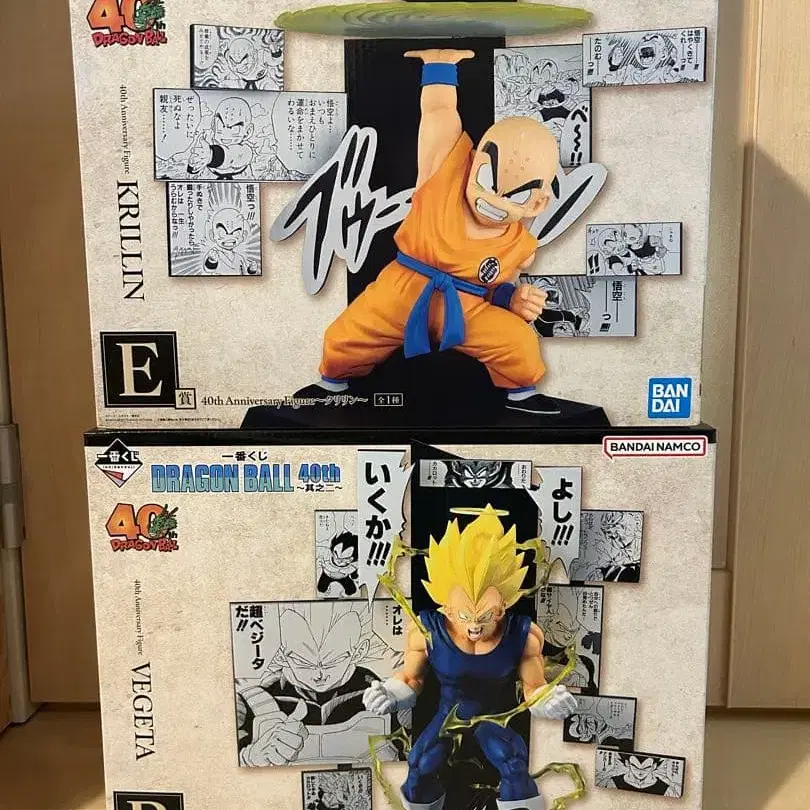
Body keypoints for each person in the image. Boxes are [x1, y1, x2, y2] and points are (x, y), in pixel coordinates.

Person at [298, 49, 562, 416]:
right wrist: (440, 66)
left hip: (467, 307)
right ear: (474, 161)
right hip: (402, 290)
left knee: (517, 341)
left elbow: (495, 288)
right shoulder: (443, 178)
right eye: (487, 179)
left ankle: (522, 394)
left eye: (515, 195)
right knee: (346, 335)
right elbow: (439, 115)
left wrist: (513, 300)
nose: (492, 200)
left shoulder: (520, 245)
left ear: (537, 203)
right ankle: (333, 384)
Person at [362, 506, 576, 810]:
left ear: (501, 609)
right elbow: (411, 679)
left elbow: (533, 686)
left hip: (492, 716)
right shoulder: (427, 630)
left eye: (485, 616)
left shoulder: (522, 634)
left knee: (513, 763)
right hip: (448, 712)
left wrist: (547, 700)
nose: (475, 626)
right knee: (420, 764)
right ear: (447, 610)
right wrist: (390, 694)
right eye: (465, 616)